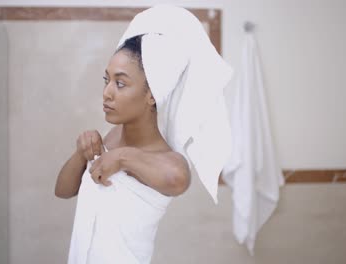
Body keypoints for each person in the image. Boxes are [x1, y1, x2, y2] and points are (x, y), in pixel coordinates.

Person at [55, 5, 233, 264]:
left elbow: (178, 179)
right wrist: (80, 153)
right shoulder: (110, 138)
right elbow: (62, 191)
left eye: (120, 83)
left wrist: (124, 157)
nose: (107, 92)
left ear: (152, 94)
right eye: (106, 80)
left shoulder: (165, 158)